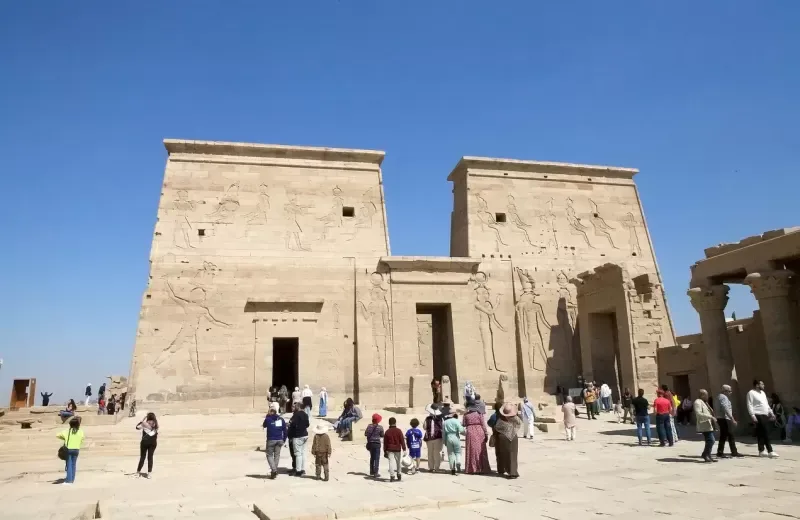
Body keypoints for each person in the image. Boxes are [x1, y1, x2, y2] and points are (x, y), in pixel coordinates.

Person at [747, 379, 778, 458]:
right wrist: (752, 415)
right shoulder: (751, 393)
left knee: (761, 433)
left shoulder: (763, 393)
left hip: (765, 414)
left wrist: (771, 413)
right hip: (758, 414)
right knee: (765, 432)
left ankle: (761, 451)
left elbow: (766, 404)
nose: (763, 385)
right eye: (762, 384)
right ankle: (770, 451)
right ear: (757, 385)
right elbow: (749, 404)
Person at [714, 384, 742, 458]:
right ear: (725, 391)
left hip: (722, 418)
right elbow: (725, 408)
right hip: (724, 418)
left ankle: (720, 452)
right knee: (730, 435)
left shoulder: (720, 397)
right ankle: (733, 452)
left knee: (724, 435)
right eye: (730, 391)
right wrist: (732, 419)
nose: (731, 392)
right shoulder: (723, 397)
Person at [493, 403, 521, 479]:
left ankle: (508, 470)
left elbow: (497, 428)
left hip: (503, 437)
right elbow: (519, 423)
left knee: (505, 454)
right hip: (513, 436)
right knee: (513, 454)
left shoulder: (501, 419)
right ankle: (513, 471)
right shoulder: (515, 418)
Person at [462, 401, 491, 474]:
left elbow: (464, 424)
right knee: (481, 449)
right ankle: (482, 468)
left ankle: (472, 468)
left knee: (471, 450)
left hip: (470, 431)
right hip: (479, 430)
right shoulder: (479, 414)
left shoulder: (466, 415)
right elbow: (483, 424)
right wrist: (486, 433)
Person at [57, 417, 85, 484]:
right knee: (73, 464)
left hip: (69, 449)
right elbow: (82, 439)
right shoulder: (80, 431)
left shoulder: (67, 431)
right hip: (76, 449)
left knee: (69, 464)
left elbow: (57, 435)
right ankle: (72, 479)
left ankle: (68, 480)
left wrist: (64, 438)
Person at [263, 405, 287, 479]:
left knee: (269, 455)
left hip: (271, 439)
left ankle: (274, 470)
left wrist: (267, 416)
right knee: (277, 455)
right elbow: (285, 430)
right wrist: (284, 439)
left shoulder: (268, 419)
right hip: (279, 439)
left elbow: (264, 425)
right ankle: (275, 470)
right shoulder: (280, 419)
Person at [694, 389, 718, 463]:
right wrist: (710, 417)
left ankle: (707, 455)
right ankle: (705, 454)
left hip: (709, 424)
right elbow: (698, 413)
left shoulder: (705, 402)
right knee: (711, 440)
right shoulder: (697, 402)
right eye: (706, 395)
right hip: (704, 424)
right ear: (702, 395)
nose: (707, 396)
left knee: (710, 440)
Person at [289, 402, 310, 476]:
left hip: (298, 436)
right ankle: (303, 468)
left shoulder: (296, 415)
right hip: (305, 435)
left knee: (298, 454)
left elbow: (292, 424)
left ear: (298, 407)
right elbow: (307, 424)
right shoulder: (305, 414)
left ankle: (298, 470)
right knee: (303, 453)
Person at [136, 412, 159, 478]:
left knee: (142, 457)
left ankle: (138, 472)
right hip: (153, 443)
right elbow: (155, 431)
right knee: (150, 457)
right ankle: (149, 473)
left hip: (144, 442)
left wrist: (142, 420)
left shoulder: (144, 424)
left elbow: (137, 427)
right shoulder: (156, 424)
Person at [383, 417, 406, 482]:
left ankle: (392, 476)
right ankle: (399, 475)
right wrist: (404, 449)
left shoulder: (387, 432)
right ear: (395, 422)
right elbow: (402, 440)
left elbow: (385, 443)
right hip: (397, 449)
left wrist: (385, 451)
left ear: (389, 423)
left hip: (389, 449)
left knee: (391, 463)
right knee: (398, 463)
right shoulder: (399, 431)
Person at [423, 404, 444, 472]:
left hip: (429, 438)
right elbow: (443, 427)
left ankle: (431, 467)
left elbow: (424, 427)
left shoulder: (427, 419)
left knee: (430, 453)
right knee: (437, 453)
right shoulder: (441, 419)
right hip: (438, 438)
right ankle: (437, 467)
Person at [365, 413, 384, 478]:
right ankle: (376, 472)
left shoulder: (369, 426)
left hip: (370, 443)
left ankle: (371, 471)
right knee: (377, 458)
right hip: (377, 444)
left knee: (372, 457)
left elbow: (366, 434)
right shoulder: (380, 427)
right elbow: (382, 435)